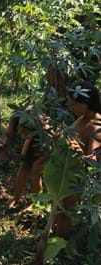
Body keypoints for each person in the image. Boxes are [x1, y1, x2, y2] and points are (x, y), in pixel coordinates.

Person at [52, 81, 101, 238]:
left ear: (85, 104)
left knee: (65, 210)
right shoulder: (82, 119)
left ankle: (62, 242)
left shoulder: (95, 126)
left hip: (77, 180)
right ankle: (57, 235)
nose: (70, 107)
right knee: (60, 208)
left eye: (73, 105)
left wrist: (79, 152)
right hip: (68, 174)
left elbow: (92, 160)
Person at [0, 109, 46, 208]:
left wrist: (15, 156)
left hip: (42, 145)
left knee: (34, 174)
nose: (21, 134)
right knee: (23, 169)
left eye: (24, 133)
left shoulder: (41, 127)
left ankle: (33, 201)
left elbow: (23, 154)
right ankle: (16, 197)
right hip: (30, 140)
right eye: (20, 132)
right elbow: (8, 136)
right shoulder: (15, 118)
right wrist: (3, 145)